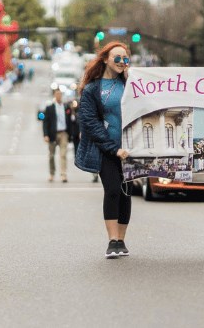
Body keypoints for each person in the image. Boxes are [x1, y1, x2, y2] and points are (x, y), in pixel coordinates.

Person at [77, 41, 132, 258]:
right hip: (106, 150)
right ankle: (112, 240)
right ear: (106, 59)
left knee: (126, 193)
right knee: (112, 190)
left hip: (130, 150)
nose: (121, 62)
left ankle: (122, 240)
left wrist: (132, 83)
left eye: (125, 58)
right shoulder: (93, 89)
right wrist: (113, 148)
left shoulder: (132, 86)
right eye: (117, 58)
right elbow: (89, 122)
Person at [42, 89, 72, 182]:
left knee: (63, 155)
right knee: (51, 155)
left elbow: (70, 121)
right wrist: (46, 135)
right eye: (57, 94)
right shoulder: (49, 108)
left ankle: (63, 174)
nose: (59, 96)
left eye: (60, 94)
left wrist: (70, 134)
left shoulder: (66, 107)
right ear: (54, 95)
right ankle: (52, 173)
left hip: (63, 133)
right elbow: (45, 122)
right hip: (53, 134)